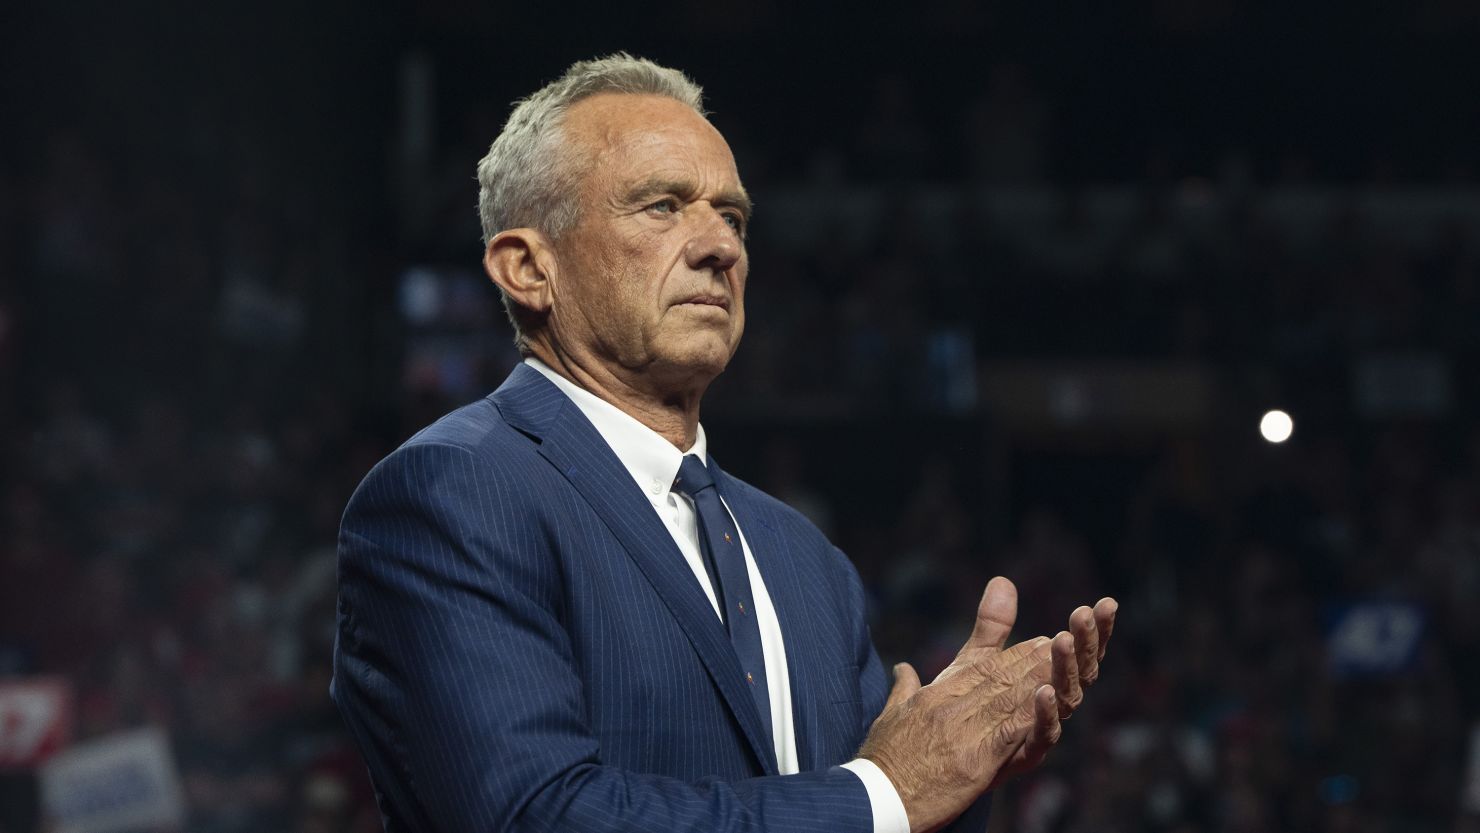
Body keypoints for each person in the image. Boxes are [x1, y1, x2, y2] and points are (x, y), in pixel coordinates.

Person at [330, 53, 1119, 833]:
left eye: (732, 216)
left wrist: (963, 767)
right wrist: (891, 791)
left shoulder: (807, 561)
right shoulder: (453, 493)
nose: (722, 248)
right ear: (529, 268)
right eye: (662, 205)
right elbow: (534, 815)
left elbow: (879, 808)